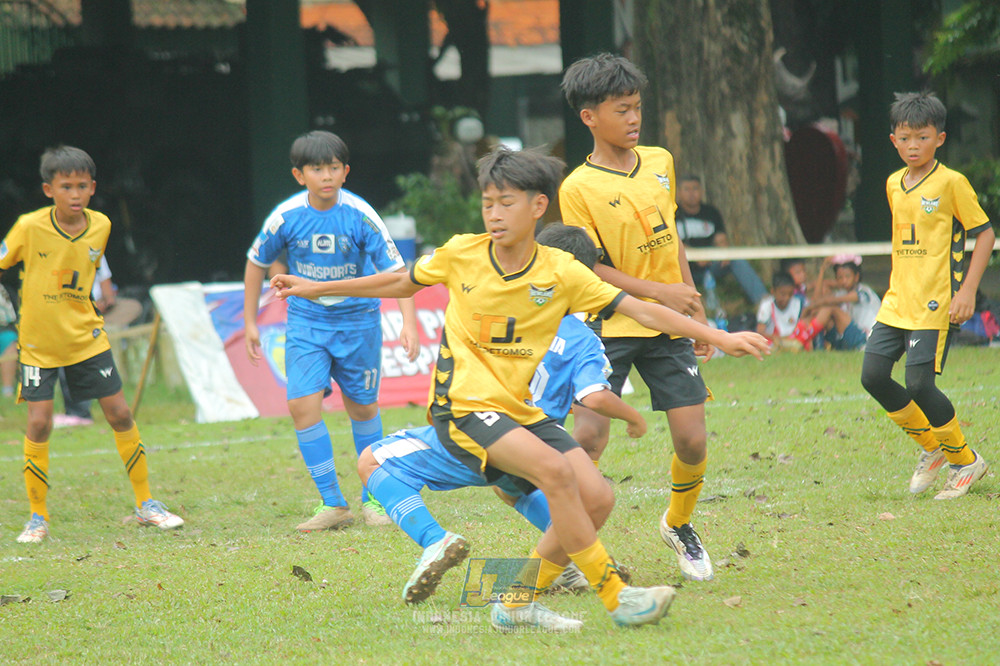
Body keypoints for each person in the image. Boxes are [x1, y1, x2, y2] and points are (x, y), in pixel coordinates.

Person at [270, 146, 769, 630]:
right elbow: (400, 281)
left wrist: (719, 335)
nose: (494, 213)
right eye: (488, 202)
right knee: (555, 472)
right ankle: (619, 599)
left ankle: (513, 601)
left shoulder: (562, 272)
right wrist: (315, 287)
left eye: (506, 202)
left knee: (597, 499)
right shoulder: (462, 254)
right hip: (461, 407)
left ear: (537, 207)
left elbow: (642, 310)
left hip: (518, 412)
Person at [359, 224, 648, 624]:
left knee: (371, 460)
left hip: (481, 434)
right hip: (535, 443)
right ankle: (577, 561)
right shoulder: (583, 337)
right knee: (520, 489)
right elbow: (594, 398)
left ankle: (435, 540)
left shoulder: (501, 304)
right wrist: (634, 417)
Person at [558, 52, 720, 582]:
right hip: (608, 323)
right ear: (590, 117)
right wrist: (659, 294)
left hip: (668, 321)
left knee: (693, 439)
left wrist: (691, 304)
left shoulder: (660, 161)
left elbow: (670, 241)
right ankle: (575, 553)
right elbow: (592, 267)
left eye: (637, 108)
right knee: (587, 439)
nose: (634, 119)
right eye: (622, 110)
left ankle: (678, 524)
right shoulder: (577, 188)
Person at [1, 146, 183, 544]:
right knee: (39, 423)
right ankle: (37, 517)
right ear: (49, 189)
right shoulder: (28, 227)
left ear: (93, 187)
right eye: (66, 186)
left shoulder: (100, 225)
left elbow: (90, 269)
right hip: (38, 344)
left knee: (119, 413)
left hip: (87, 339)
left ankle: (146, 503)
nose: (75, 194)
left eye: (82, 186)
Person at [244, 130, 419, 532]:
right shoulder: (286, 217)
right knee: (301, 406)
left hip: (359, 323)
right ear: (298, 174)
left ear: (346, 172)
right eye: (317, 169)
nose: (326, 175)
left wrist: (408, 321)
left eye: (334, 168)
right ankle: (332, 504)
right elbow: (257, 261)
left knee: (362, 408)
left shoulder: (361, 215)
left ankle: (373, 498)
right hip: (307, 322)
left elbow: (398, 274)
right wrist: (251, 321)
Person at [860, 91, 995, 500]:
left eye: (922, 137)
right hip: (897, 301)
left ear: (940, 138)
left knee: (919, 384)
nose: (913, 145)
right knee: (873, 376)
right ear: (893, 140)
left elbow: (985, 233)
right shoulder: (892, 184)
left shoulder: (952, 183)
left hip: (936, 304)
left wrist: (968, 291)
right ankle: (932, 448)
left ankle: (965, 460)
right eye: (905, 138)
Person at [675, 175, 767, 306]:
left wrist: (723, 253)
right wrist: (696, 256)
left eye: (695, 188)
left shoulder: (711, 213)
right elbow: (673, 243)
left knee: (737, 260)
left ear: (701, 191)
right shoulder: (674, 214)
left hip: (710, 266)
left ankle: (764, 302)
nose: (691, 193)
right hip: (683, 269)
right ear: (679, 192)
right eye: (687, 189)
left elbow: (721, 239)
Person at [799, 254, 881, 351]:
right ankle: (812, 345)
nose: (843, 281)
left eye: (847, 276)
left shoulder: (864, 292)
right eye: (840, 277)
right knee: (819, 312)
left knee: (831, 308)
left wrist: (815, 304)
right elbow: (816, 300)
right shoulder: (842, 292)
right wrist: (822, 271)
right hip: (848, 337)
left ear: (856, 277)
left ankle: (800, 340)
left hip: (867, 338)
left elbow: (832, 301)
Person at [756, 272, 812, 351]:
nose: (787, 298)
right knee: (762, 342)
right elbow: (760, 331)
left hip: (793, 339)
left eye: (790, 294)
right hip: (775, 340)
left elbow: (808, 318)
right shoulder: (767, 305)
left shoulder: (798, 303)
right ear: (773, 291)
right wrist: (776, 338)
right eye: (783, 294)